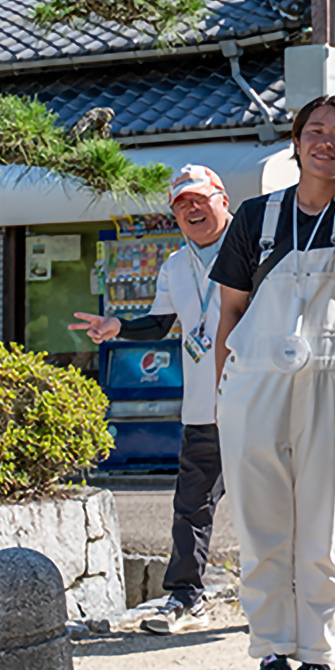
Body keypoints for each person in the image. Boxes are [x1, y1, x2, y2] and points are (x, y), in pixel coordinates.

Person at [209, 95, 335, 670]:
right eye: (314, 130)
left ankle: (318, 652)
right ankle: (271, 647)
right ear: (294, 142)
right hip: (254, 385)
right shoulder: (255, 217)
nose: (326, 141)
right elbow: (231, 314)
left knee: (324, 527)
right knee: (261, 526)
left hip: (333, 385)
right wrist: (222, 400)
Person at [68, 164, 232, 635]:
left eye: (200, 198)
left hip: (257, 401)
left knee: (272, 502)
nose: (192, 209)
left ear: (222, 198)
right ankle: (185, 597)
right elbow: (160, 323)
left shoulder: (252, 248)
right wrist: (119, 326)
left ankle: (288, 595)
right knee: (191, 508)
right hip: (202, 408)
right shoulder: (176, 265)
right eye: (182, 204)